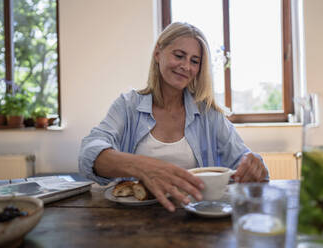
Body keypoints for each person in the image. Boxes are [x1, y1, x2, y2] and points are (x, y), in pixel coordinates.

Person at [79, 22, 268, 212]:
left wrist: (254, 165)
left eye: (195, 61)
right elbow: (88, 153)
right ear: (157, 53)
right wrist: (141, 167)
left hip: (196, 220)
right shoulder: (128, 106)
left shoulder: (208, 114)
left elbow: (244, 160)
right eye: (179, 56)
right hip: (133, 221)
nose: (186, 66)